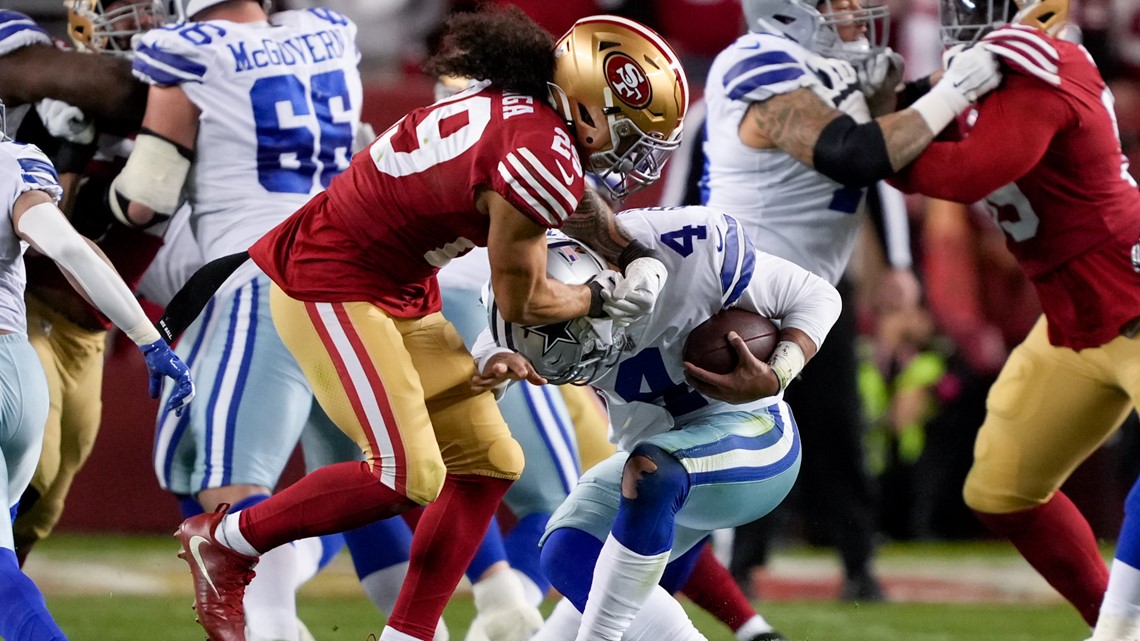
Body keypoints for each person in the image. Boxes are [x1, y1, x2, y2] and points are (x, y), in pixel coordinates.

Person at [164, 9, 688, 641]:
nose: (637, 153)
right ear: (585, 105)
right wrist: (603, 300)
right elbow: (525, 303)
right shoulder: (539, 149)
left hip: (395, 285)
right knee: (405, 473)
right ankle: (224, 541)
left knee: (490, 461)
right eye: (629, 130)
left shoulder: (531, 122)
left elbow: (567, 198)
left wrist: (630, 255)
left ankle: (405, 634)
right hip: (329, 281)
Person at [698, 0, 997, 600]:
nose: (857, 7)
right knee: (741, 440)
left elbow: (880, 152)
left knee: (837, 430)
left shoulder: (828, 65)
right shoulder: (760, 61)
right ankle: (725, 570)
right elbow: (852, 152)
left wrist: (955, 77)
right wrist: (953, 89)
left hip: (814, 293)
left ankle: (856, 561)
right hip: (741, 293)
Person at [115, 1, 366, 640]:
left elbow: (146, 198)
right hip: (354, 280)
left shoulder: (192, 48)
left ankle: (276, 625)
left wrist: (79, 193)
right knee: (367, 480)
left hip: (262, 278)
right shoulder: (328, 31)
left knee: (224, 493)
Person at [475, 205, 841, 641]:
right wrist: (495, 362)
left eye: (579, 338)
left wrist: (778, 371)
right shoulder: (527, 306)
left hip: (754, 434)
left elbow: (819, 295)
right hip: (657, 463)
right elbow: (495, 341)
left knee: (653, 470)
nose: (581, 362)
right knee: (567, 548)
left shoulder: (687, 256)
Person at [887, 0, 1140, 632]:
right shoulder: (982, 73)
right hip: (1074, 321)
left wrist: (876, 153)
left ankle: (1119, 629)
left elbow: (973, 171)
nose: (957, 22)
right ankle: (1111, 617)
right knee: (1000, 491)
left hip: (1132, 295)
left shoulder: (1044, 59)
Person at [0, 128, 193, 641]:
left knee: (1, 578)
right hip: (19, 372)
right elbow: (68, 246)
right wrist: (148, 338)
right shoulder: (14, 162)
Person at [0, 0, 171, 569]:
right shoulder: (44, 68)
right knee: (31, 471)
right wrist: (68, 150)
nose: (144, 21)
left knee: (45, 504)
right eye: (130, 8)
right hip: (27, 308)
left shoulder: (182, 96)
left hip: (91, 328)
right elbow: (52, 227)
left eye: (154, 9)